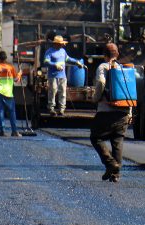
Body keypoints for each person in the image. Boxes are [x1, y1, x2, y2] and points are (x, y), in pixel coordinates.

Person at [90, 43, 131, 183]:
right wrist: (130, 113)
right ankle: (115, 173)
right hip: (124, 111)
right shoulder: (123, 69)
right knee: (117, 141)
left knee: (96, 137)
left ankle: (110, 164)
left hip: (106, 112)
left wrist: (95, 98)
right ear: (117, 54)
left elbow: (101, 82)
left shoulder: (103, 66)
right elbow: (129, 92)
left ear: (104, 55)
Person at [43, 35, 86, 116]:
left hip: (62, 76)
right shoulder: (49, 51)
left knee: (62, 92)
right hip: (53, 76)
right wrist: (55, 65)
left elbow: (68, 59)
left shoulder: (63, 51)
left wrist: (76, 62)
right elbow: (46, 61)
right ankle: (51, 108)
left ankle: (62, 109)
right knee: (53, 91)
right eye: (60, 43)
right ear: (55, 44)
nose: (61, 45)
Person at [0, 51, 22, 137]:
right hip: (8, 93)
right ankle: (14, 131)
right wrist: (20, 73)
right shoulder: (10, 68)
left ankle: (2, 131)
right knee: (12, 112)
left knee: (1, 111)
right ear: (5, 58)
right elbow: (16, 80)